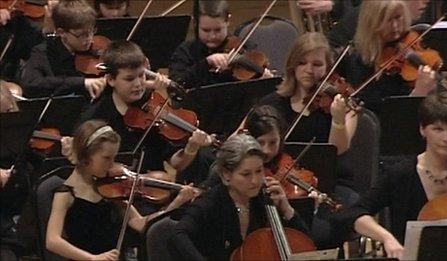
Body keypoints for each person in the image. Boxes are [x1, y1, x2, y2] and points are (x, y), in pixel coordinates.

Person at [46, 120, 197, 260]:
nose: (112, 164)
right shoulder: (65, 193)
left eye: (114, 157)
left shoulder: (112, 187)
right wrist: (93, 258)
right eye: (106, 158)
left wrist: (176, 203)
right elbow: (52, 241)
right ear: (86, 155)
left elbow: (140, 223)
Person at [338, 90, 447, 259]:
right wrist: (387, 238)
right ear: (422, 130)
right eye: (438, 129)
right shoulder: (401, 174)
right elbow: (355, 213)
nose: (446, 138)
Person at [78, 40, 212, 180]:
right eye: (129, 79)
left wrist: (191, 148)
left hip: (153, 190)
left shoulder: (154, 108)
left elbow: (176, 163)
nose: (138, 84)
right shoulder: (96, 115)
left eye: (141, 76)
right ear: (111, 79)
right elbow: (84, 162)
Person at [172, 134, 309, 260]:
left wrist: (286, 208)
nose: (255, 180)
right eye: (246, 174)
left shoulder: (264, 198)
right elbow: (178, 236)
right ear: (226, 175)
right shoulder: (209, 203)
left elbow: (306, 246)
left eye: (259, 171)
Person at [259, 32, 357, 155]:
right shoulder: (270, 104)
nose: (309, 70)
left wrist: (338, 119)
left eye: (317, 64)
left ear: (328, 68)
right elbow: (240, 139)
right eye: (302, 63)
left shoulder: (344, 106)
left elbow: (338, 150)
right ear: (292, 65)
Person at [338, 0, 438, 115]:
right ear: (371, 22)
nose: (395, 26)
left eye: (398, 17)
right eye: (388, 20)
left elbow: (410, 119)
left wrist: (419, 93)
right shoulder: (355, 60)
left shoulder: (410, 61)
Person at [20, 0, 106, 99]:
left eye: (91, 31)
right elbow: (31, 84)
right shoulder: (43, 52)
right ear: (61, 32)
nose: (89, 39)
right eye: (82, 35)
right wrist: (81, 82)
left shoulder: (97, 49)